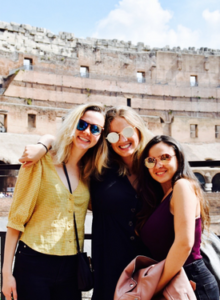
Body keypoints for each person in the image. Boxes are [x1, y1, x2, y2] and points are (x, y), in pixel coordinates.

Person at [18, 105, 154, 300]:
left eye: (127, 131)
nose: (122, 139)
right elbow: (76, 144)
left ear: (139, 129)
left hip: (149, 265)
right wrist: (45, 142)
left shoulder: (155, 169)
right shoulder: (101, 169)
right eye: (114, 135)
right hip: (109, 266)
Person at [2, 103, 107, 300]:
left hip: (71, 266)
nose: (87, 132)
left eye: (95, 129)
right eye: (82, 124)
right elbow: (16, 219)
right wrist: (6, 273)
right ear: (72, 124)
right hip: (34, 261)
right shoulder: (40, 160)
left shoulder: (90, 172)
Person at [136, 135, 219, 300]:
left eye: (165, 157)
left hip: (191, 284)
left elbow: (184, 244)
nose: (158, 165)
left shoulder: (182, 186)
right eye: (151, 160)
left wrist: (155, 287)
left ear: (179, 158)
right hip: (176, 280)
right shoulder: (162, 195)